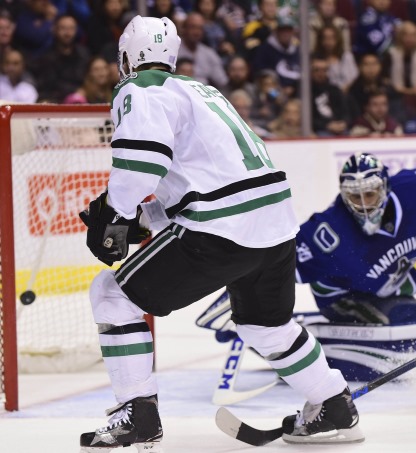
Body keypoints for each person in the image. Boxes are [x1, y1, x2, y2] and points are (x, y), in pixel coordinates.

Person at [78, 15, 363, 451]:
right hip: (275, 227)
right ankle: (333, 403)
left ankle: (136, 412)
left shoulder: (138, 88)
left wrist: (116, 214)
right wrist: (143, 219)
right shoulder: (203, 90)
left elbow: (142, 165)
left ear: (128, 56)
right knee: (267, 327)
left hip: (221, 231)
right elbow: (207, 181)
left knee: (112, 296)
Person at [294, 153, 416, 380]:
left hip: (386, 286)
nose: (363, 205)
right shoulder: (329, 232)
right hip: (341, 295)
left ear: (385, 188)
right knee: (409, 318)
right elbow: (282, 262)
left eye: (369, 194)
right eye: (354, 196)